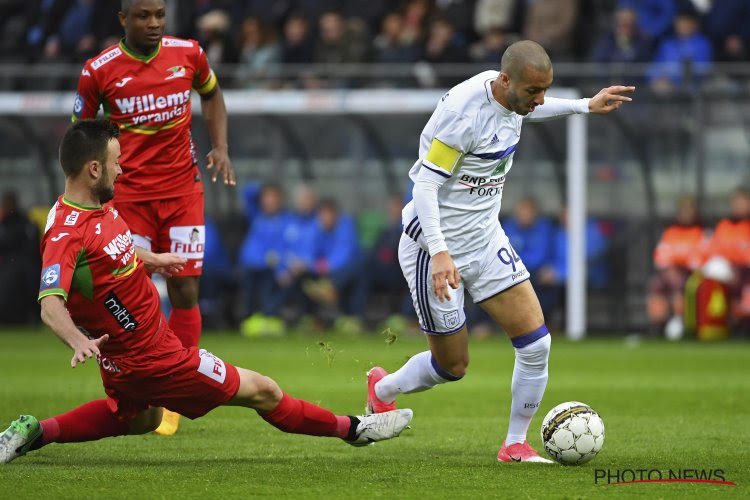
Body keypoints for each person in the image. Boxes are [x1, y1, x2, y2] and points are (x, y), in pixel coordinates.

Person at [0, 120, 412, 465]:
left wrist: (150, 258)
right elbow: (50, 302)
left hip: (126, 361)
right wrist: (76, 339)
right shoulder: (66, 232)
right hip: (155, 359)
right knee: (263, 390)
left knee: (140, 420)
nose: (122, 171)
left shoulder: (93, 205)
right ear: (93, 169)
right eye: (116, 164)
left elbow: (107, 250)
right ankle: (357, 430)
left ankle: (37, 431)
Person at [364, 40, 633, 463]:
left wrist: (584, 105)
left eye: (545, 90)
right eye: (533, 91)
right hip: (434, 246)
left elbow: (532, 106)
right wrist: (438, 253)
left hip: (486, 238)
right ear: (505, 80)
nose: (540, 99)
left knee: (536, 343)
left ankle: (514, 444)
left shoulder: (515, 100)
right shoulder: (462, 115)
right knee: (452, 367)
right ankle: (383, 390)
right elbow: (427, 186)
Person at [72, 0, 236, 435]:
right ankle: (140, 387)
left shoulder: (189, 53)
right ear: (123, 19)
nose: (154, 23)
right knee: (133, 291)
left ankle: (178, 392)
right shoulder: (99, 70)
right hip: (129, 196)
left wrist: (220, 145)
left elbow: (212, 93)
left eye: (160, 15)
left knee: (184, 285)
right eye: (143, 16)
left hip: (183, 191)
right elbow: (81, 136)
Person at [647, 196, 705, 334]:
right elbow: (661, 256)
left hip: (692, 274)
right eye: (683, 211)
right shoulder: (670, 232)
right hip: (669, 273)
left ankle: (681, 321)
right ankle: (658, 325)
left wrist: (680, 264)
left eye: (689, 211)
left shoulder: (701, 232)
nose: (686, 214)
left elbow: (701, 258)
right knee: (656, 284)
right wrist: (670, 269)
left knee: (681, 283)